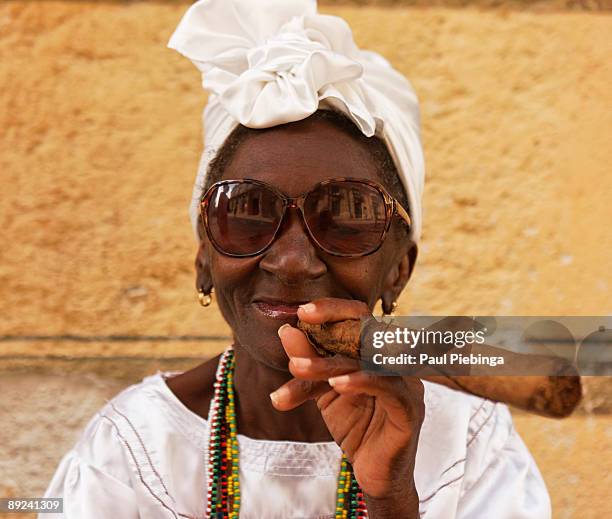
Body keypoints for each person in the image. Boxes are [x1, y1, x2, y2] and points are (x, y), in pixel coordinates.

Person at [42, 0, 552, 517]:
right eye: (245, 212)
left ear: (398, 271)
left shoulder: (468, 443)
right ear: (204, 257)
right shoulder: (133, 449)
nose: (290, 262)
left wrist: (391, 497)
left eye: (347, 219)